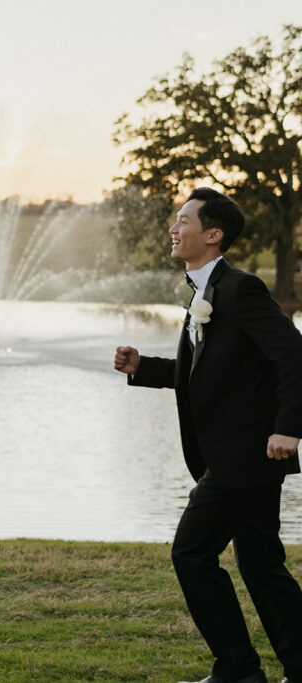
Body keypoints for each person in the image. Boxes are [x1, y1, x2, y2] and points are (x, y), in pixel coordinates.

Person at [114, 188, 302, 683]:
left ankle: (238, 670)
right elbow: (210, 371)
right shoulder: (204, 293)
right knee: (261, 565)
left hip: (245, 456)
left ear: (213, 235)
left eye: (183, 220)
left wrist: (288, 428)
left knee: (191, 553)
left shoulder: (240, 289)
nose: (174, 229)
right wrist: (145, 368)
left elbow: (294, 356)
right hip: (241, 457)